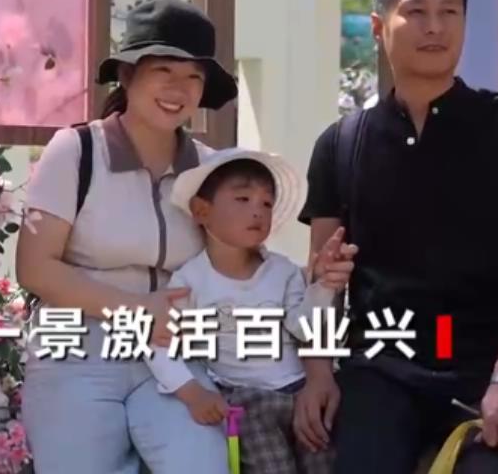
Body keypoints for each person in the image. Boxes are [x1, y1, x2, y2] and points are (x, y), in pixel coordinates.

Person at [17, 0, 353, 473]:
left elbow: (255, 275)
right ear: (127, 75)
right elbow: (35, 268)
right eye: (163, 71)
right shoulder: (76, 151)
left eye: (193, 76)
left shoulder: (211, 172)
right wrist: (137, 311)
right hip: (79, 352)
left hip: (183, 360)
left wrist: (318, 283)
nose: (178, 89)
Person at [293, 0, 498, 473]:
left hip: (486, 368)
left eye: (450, 12)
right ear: (379, 27)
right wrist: (318, 373)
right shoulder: (341, 143)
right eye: (416, 12)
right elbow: (322, 280)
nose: (435, 27)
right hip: (381, 371)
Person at [146, 148, 357, 474]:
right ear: (202, 210)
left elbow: (303, 327)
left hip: (300, 391)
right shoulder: (190, 281)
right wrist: (192, 393)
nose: (257, 211)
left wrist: (324, 286)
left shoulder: (283, 271)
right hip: (246, 398)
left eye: (267, 203)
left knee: (323, 458)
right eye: (243, 199)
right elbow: (159, 344)